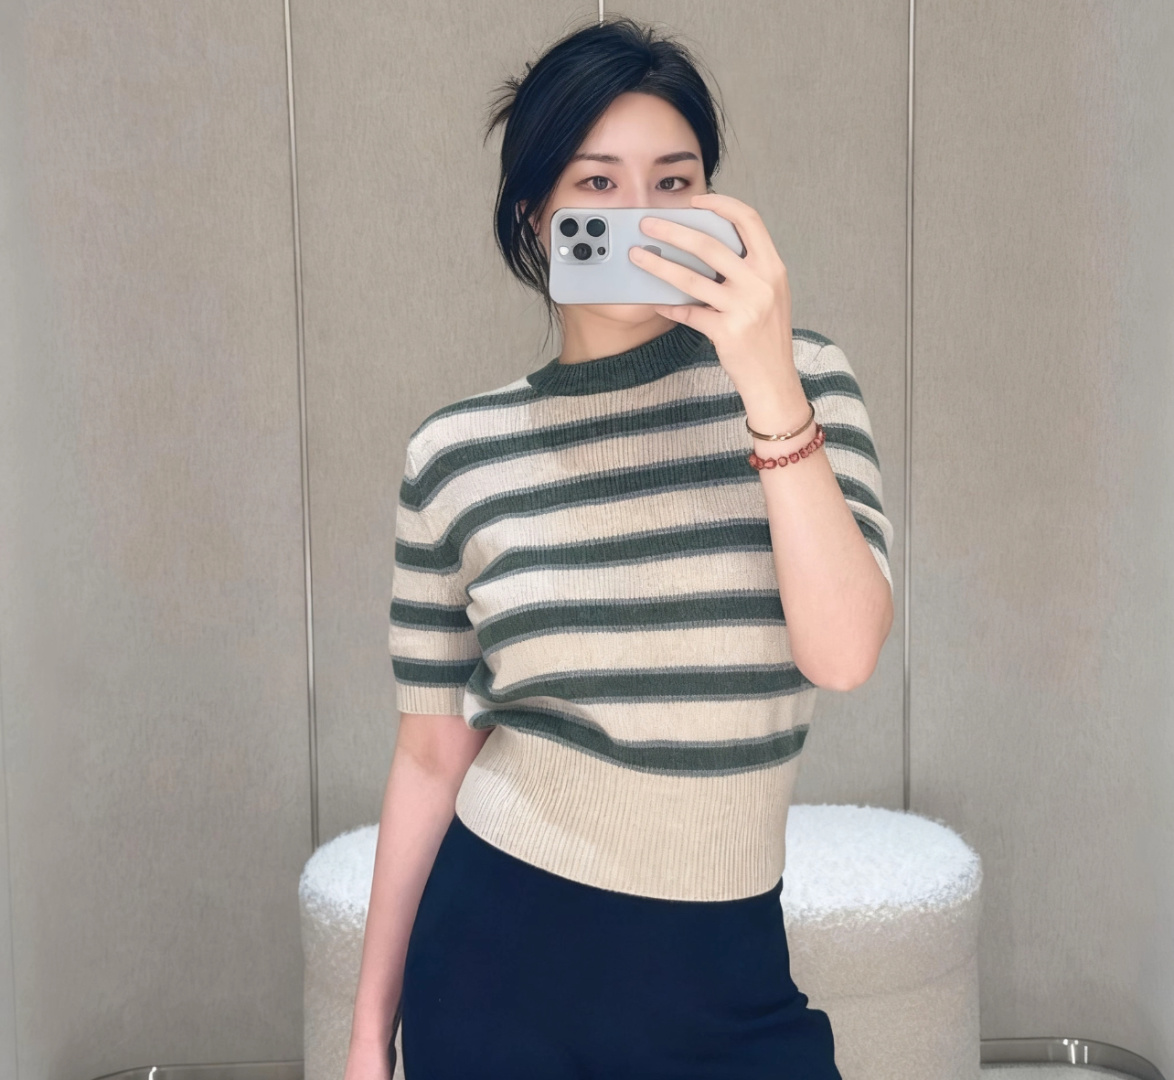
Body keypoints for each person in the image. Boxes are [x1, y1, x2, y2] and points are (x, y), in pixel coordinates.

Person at [344, 14, 894, 1080]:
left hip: (729, 972)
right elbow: (429, 755)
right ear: (536, 214)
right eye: (597, 184)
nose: (640, 216)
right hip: (498, 959)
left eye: (673, 183)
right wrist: (370, 1037)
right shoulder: (457, 455)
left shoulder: (806, 385)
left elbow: (843, 653)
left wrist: (765, 378)